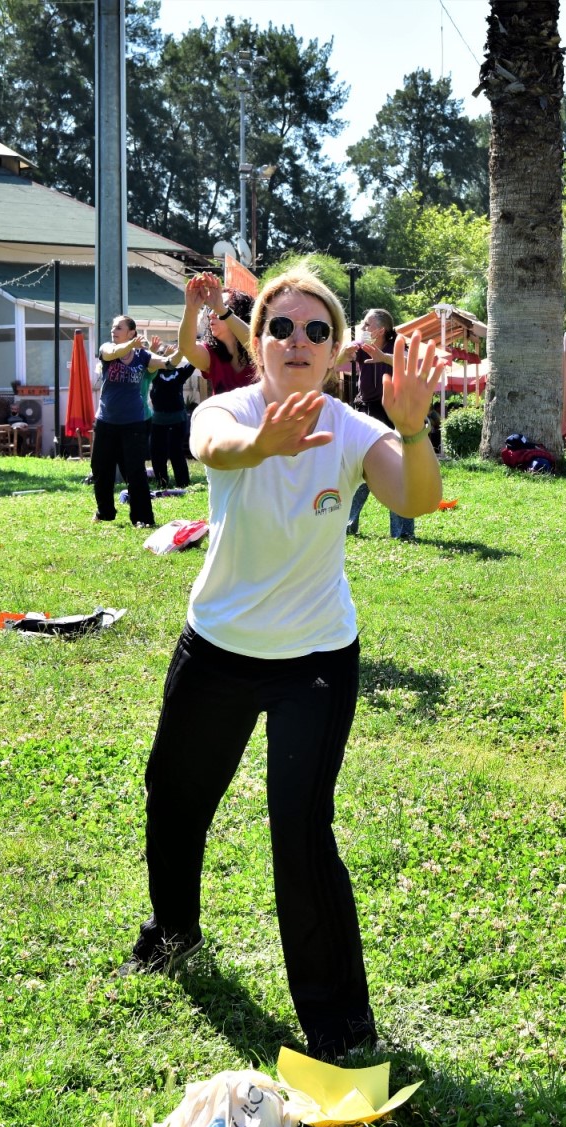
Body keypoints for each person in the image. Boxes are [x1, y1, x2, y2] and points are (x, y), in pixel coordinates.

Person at [126, 266, 446, 1062]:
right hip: (219, 645)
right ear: (256, 340)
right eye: (280, 328)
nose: (295, 342)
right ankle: (172, 932)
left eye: (314, 331)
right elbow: (212, 445)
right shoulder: (228, 408)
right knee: (174, 796)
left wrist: (411, 429)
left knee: (300, 834)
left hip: (315, 658)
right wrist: (259, 442)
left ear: (337, 350)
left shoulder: (352, 427)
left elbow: (412, 500)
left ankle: (339, 1026)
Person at [336, 309, 414, 539]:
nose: (363, 327)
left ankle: (402, 533)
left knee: (396, 471)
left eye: (367, 324)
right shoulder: (360, 347)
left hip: (391, 413)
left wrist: (384, 358)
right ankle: (348, 523)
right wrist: (344, 352)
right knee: (359, 469)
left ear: (381, 330)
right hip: (365, 410)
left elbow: (410, 364)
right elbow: (334, 361)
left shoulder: (398, 345)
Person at [91, 315, 155, 527]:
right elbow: (114, 353)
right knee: (100, 468)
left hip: (133, 422)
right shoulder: (106, 348)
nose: (113, 330)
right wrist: (130, 344)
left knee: (135, 471)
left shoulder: (141, 355)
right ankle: (105, 512)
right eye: (112, 327)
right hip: (106, 421)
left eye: (119, 327)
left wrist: (181, 351)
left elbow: (166, 363)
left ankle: (142, 518)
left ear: (131, 332)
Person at [176, 274, 255, 396]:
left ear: (241, 314)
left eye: (223, 306)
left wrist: (222, 310)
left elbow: (255, 345)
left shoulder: (261, 355)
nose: (212, 314)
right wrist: (191, 309)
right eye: (211, 308)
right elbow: (187, 348)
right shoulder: (213, 355)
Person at [146, 345, 196, 489]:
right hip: (158, 420)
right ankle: (162, 481)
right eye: (162, 355)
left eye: (167, 355)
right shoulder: (155, 373)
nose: (165, 357)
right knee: (156, 452)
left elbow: (193, 363)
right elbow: (148, 363)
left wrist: (188, 348)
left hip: (178, 420)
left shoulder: (179, 373)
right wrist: (154, 351)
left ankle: (183, 483)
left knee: (175, 452)